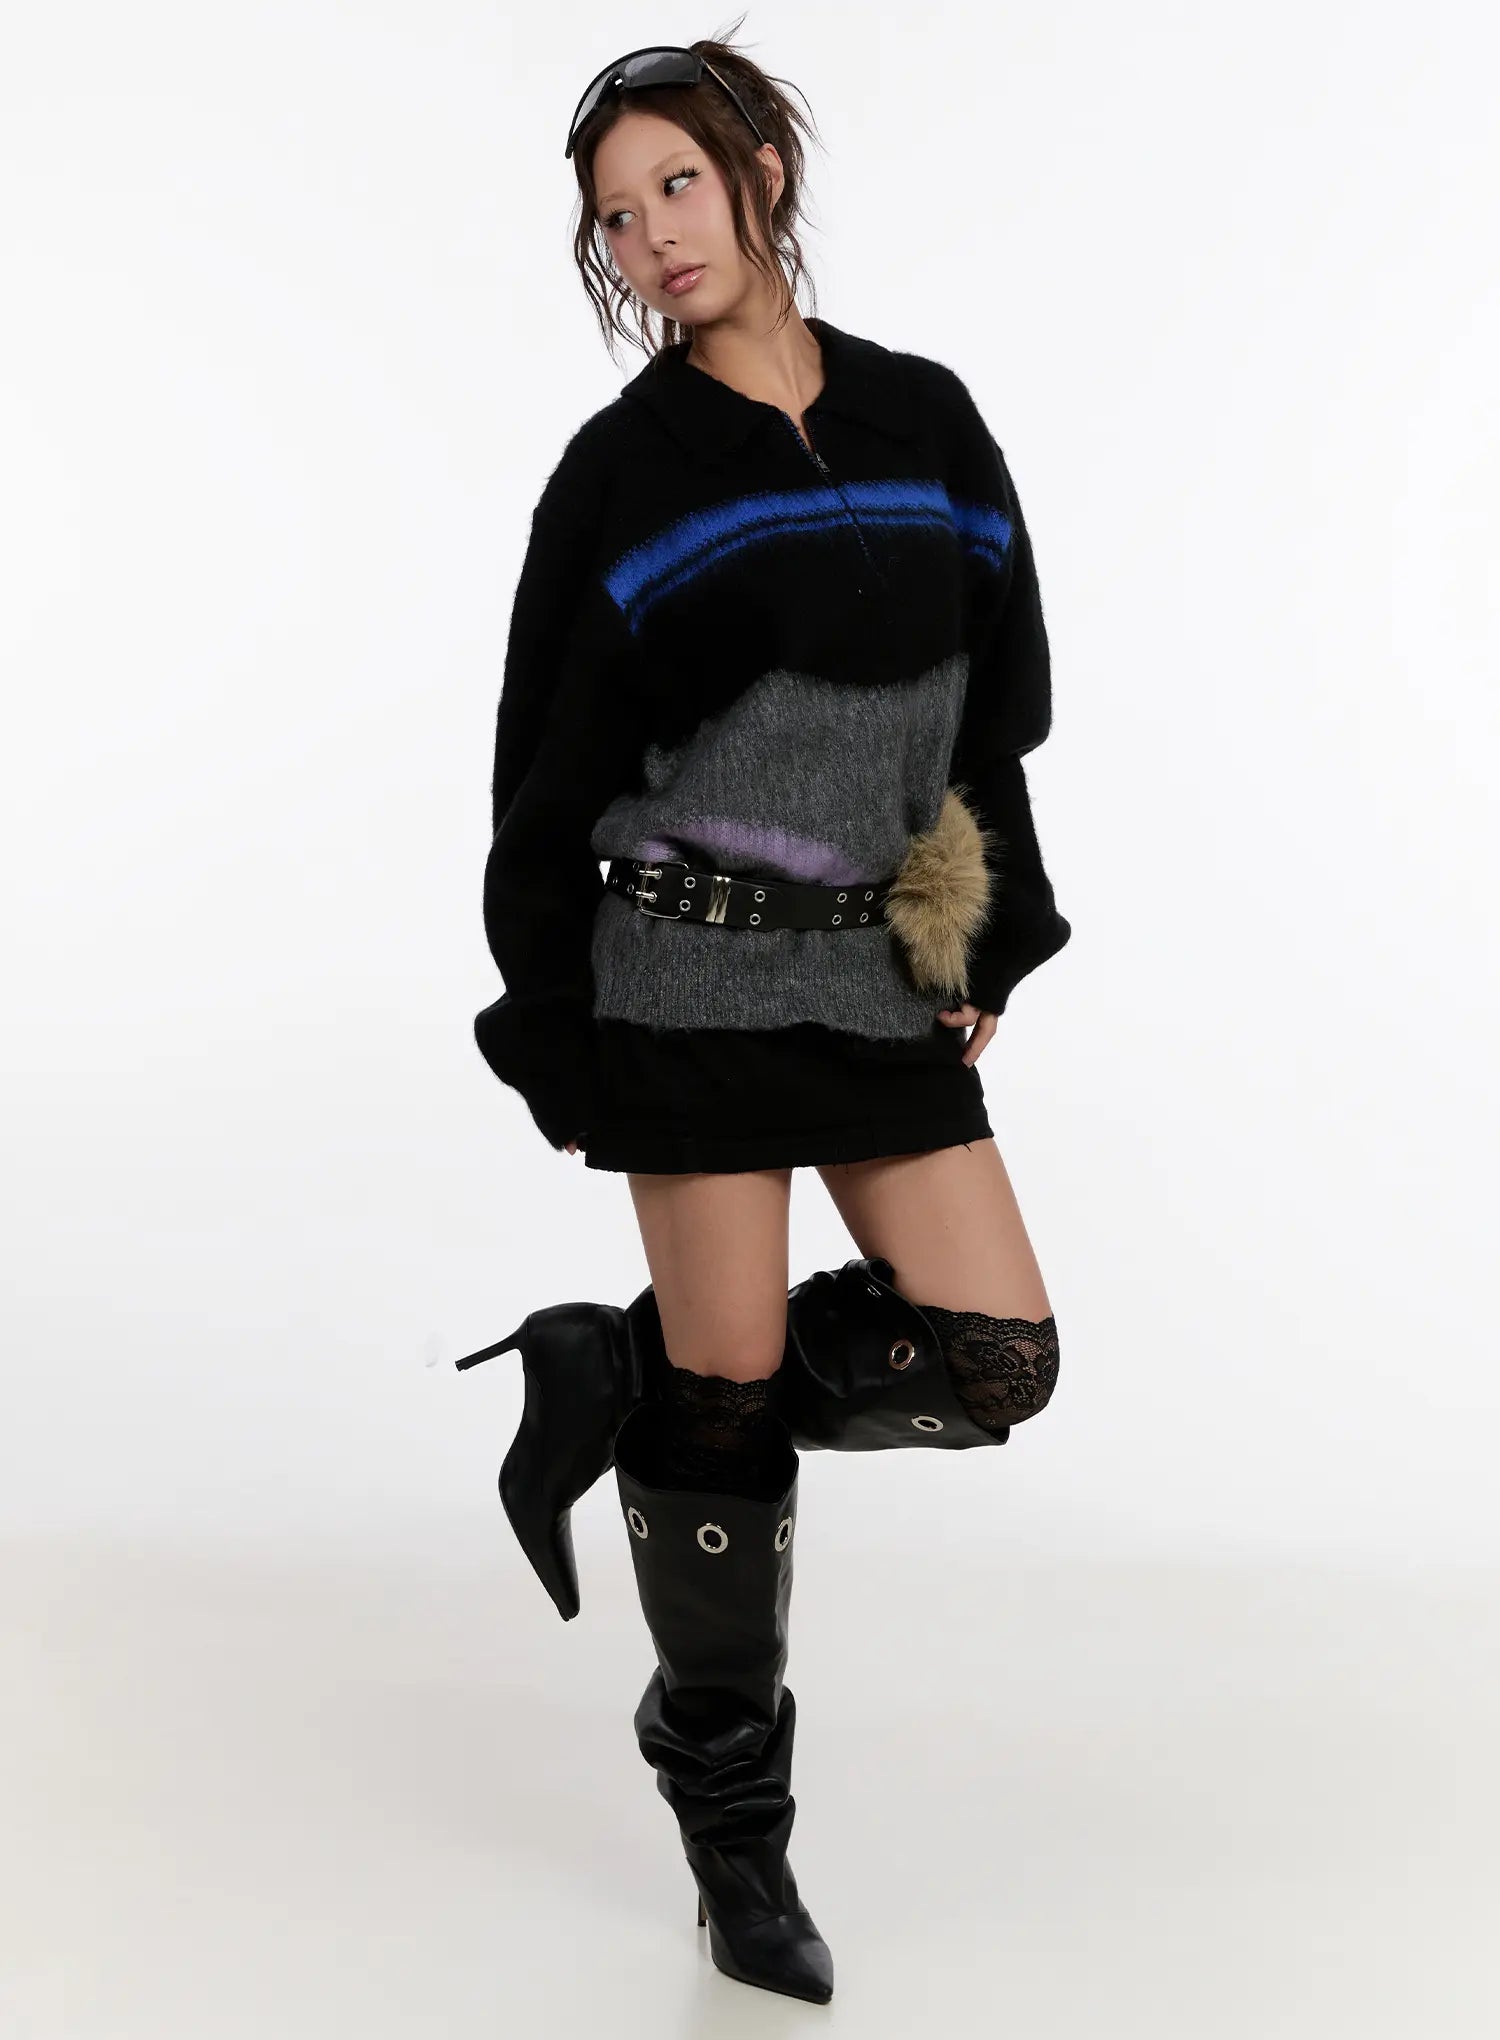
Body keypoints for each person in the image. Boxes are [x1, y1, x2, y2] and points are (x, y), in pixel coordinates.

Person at [459, 28, 1072, 2006]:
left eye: (678, 186)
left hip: (871, 974)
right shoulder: (623, 471)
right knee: (729, 1418)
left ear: (761, 175)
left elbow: (988, 720)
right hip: (684, 973)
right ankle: (736, 1835)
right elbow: (543, 771)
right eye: (616, 216)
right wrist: (557, 1020)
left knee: (996, 1358)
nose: (653, 235)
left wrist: (980, 938)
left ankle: (613, 1375)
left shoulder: (925, 417)